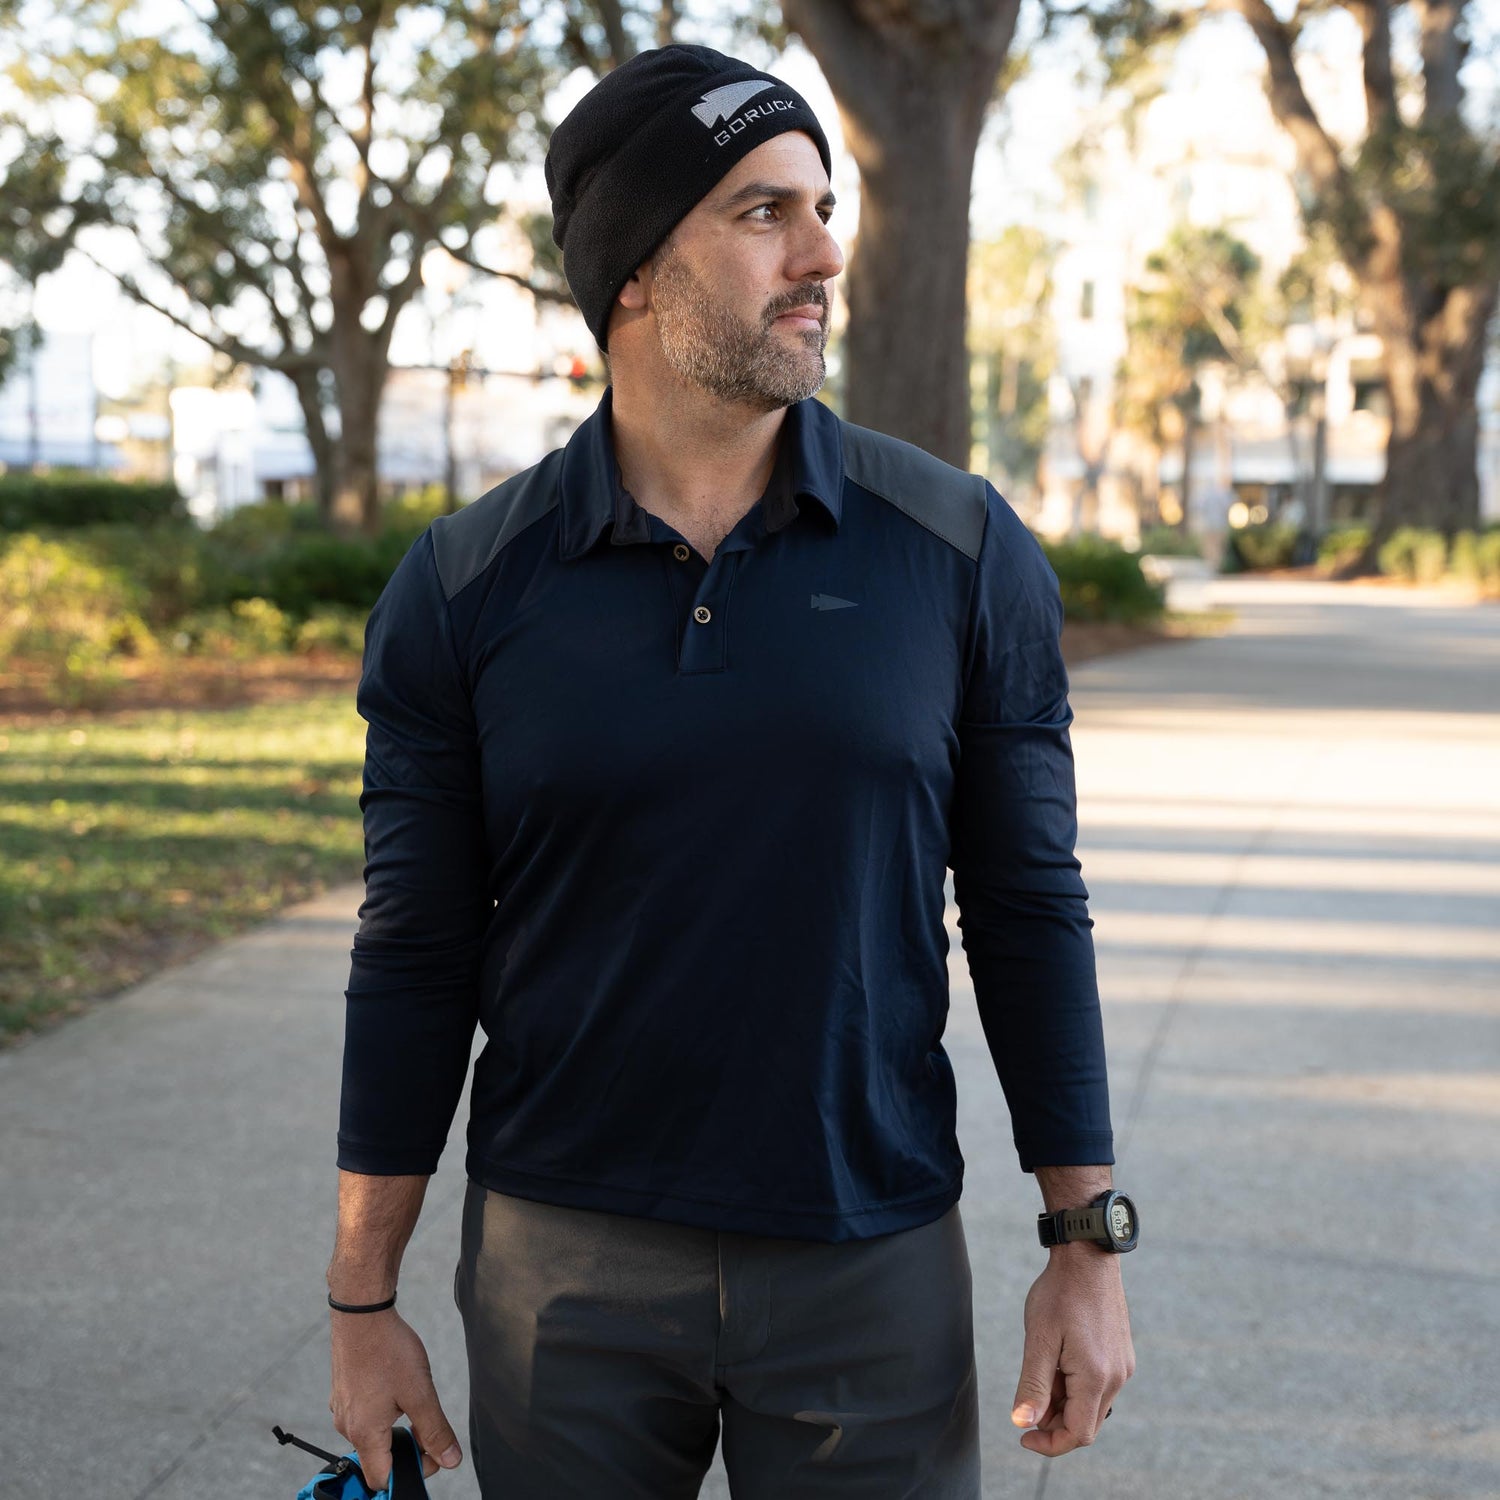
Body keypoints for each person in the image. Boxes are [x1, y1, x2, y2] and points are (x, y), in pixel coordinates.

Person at [326, 43, 1135, 1500]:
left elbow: (1029, 908)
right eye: (764, 213)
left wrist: (1085, 1248)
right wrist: (361, 1299)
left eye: (822, 207)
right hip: (559, 1274)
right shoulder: (461, 589)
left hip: (868, 1254)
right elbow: (413, 952)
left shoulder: (957, 551)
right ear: (633, 271)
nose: (822, 252)